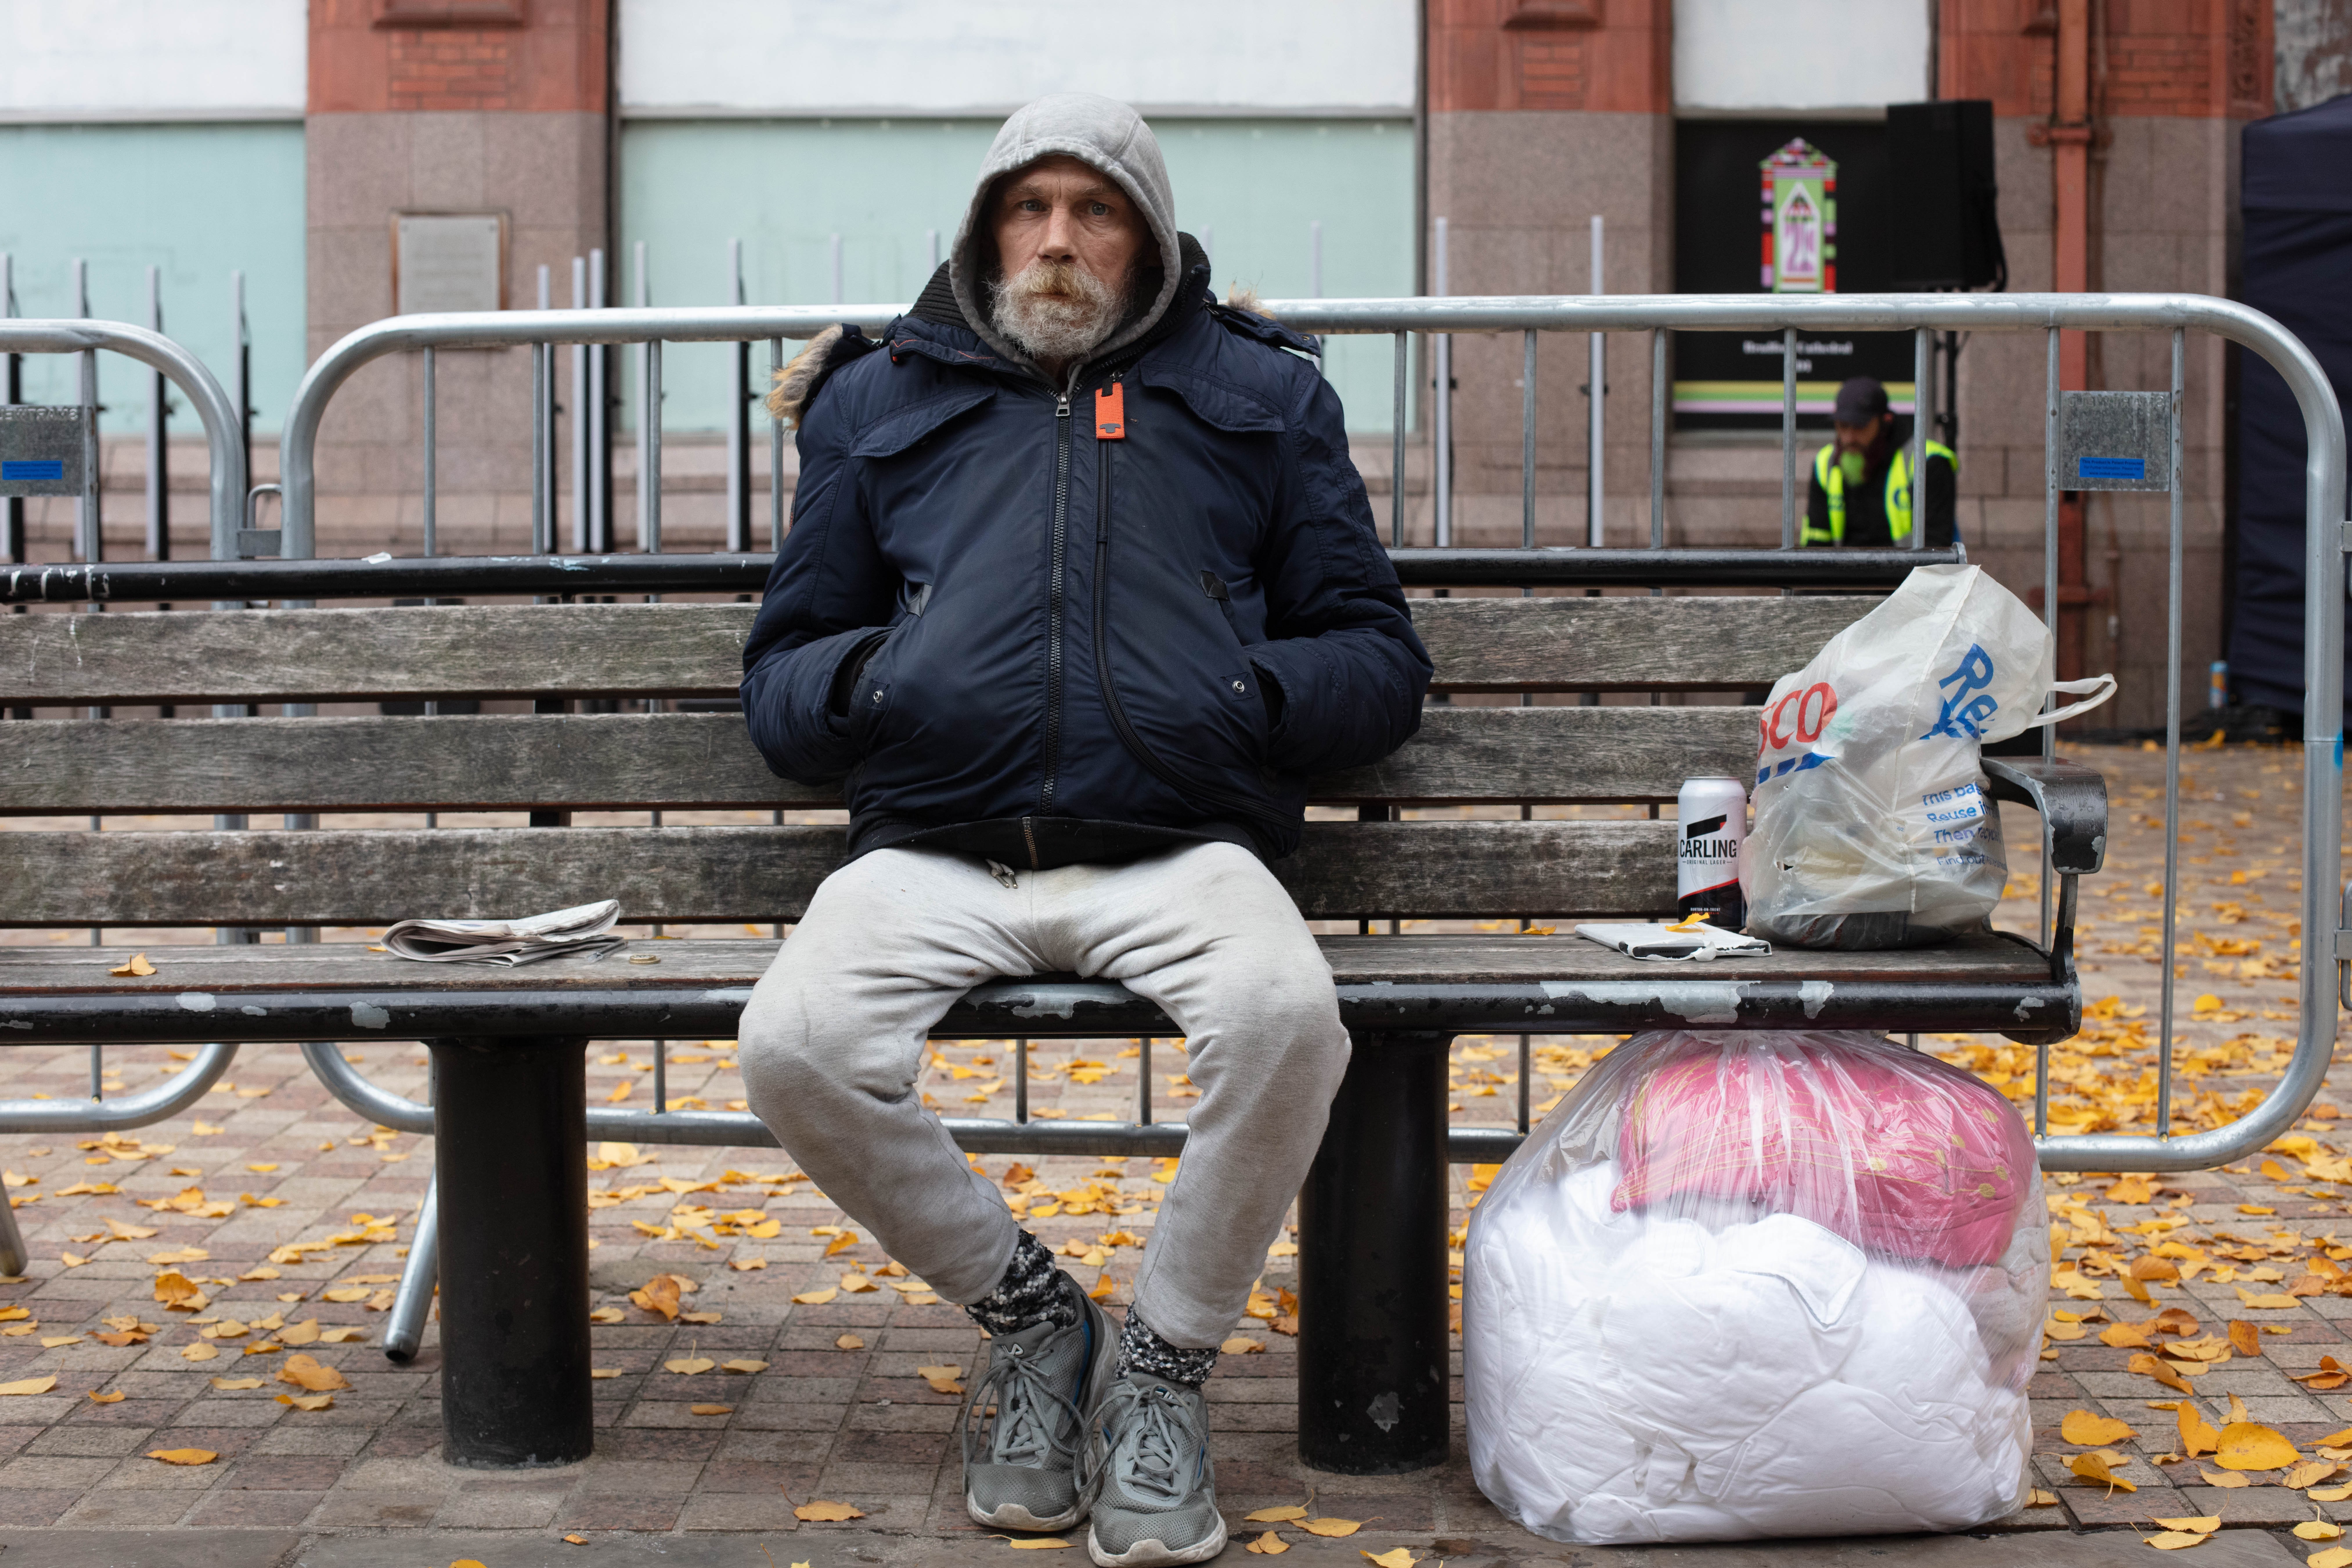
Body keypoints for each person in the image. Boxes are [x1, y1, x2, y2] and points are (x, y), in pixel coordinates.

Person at [734, 93, 1431, 1568]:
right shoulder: (879, 399)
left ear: (1150, 238)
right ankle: (1036, 1318)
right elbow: (783, 677)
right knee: (795, 1043)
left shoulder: (1261, 394)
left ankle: (1161, 1370)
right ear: (989, 228)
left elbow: (1375, 656)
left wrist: (1240, 693)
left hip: (1180, 845)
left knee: (1288, 1016)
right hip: (934, 845)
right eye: (1028, 209)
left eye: (1094, 209)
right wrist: (880, 679)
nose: (1057, 240)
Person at [1802, 375, 1958, 547]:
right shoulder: (1826, 464)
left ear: (1885, 422)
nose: (1850, 438)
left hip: (1910, 573)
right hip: (1844, 573)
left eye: (1860, 427)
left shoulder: (1928, 463)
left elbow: (1936, 549)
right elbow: (1816, 545)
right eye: (1843, 426)